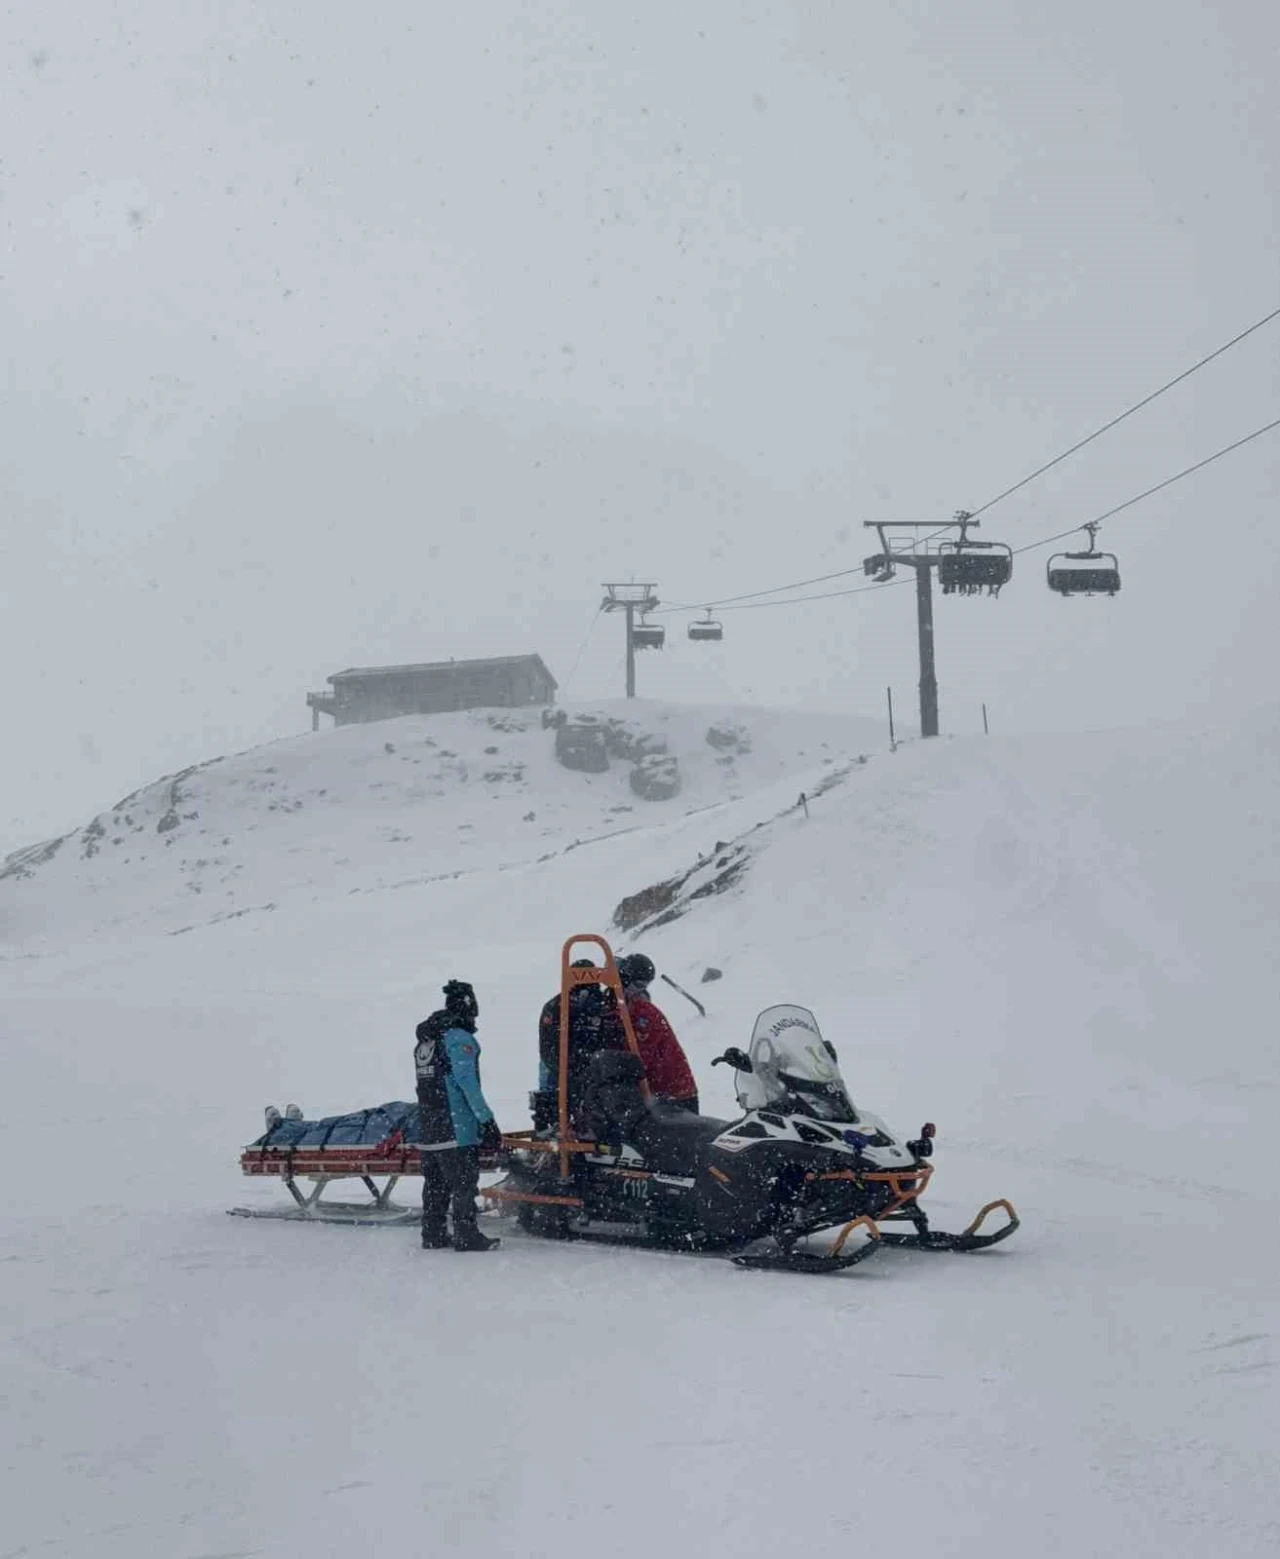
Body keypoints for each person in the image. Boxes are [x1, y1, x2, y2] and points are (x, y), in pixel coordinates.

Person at [415, 979, 503, 1252]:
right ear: (468, 1006)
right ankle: (466, 1235)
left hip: (429, 1127)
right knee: (463, 1183)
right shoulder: (459, 1039)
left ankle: (433, 1233)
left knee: (435, 1185)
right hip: (456, 1127)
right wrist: (486, 1120)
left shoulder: (426, 1042)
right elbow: (467, 1084)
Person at [537, 958, 625, 1129]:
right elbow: (548, 1049)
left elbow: (611, 1037)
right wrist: (574, 1068)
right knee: (555, 1105)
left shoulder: (603, 1005)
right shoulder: (556, 1007)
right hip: (561, 1071)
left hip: (596, 1071)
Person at [616, 954, 699, 1111]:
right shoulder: (624, 1007)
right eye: (638, 985)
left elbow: (639, 1060)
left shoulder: (644, 1014)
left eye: (643, 986)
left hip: (674, 1095)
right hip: (655, 1095)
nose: (639, 991)